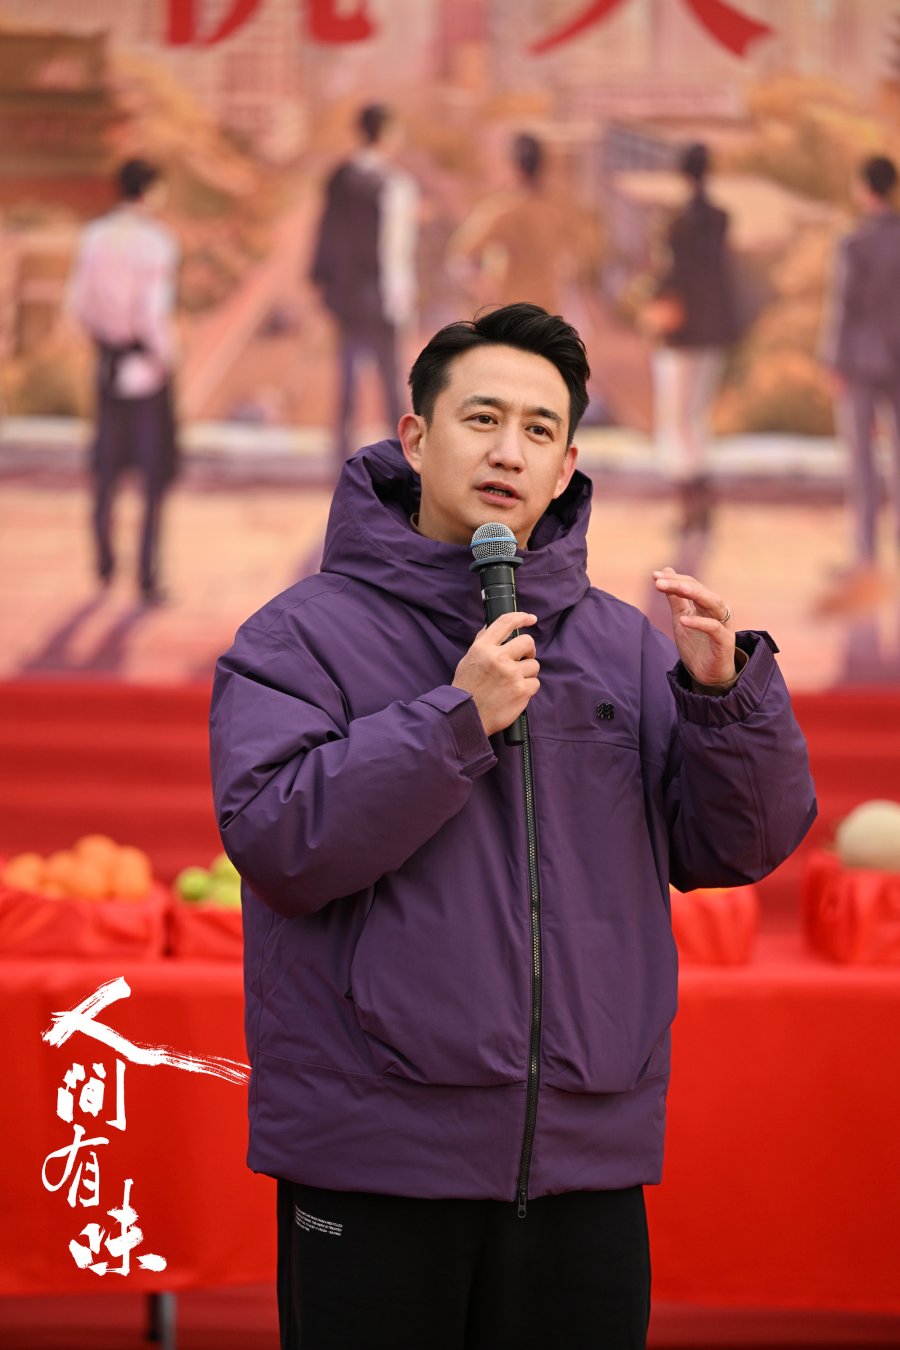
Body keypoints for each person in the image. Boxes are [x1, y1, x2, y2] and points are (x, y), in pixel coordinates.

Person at [209, 303, 815, 1350]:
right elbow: (277, 841)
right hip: (377, 1156)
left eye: (540, 429)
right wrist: (455, 720)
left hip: (584, 1159)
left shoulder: (625, 647)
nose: (508, 451)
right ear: (416, 437)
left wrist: (723, 700)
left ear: (569, 463)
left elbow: (737, 846)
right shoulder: (300, 636)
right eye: (482, 418)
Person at [68, 158, 180, 605]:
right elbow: (153, 312)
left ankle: (104, 561)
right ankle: (147, 575)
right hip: (146, 365)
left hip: (107, 363)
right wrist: (166, 356)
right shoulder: (156, 242)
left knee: (106, 469)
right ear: (150, 191)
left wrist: (104, 340)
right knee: (154, 475)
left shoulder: (93, 237)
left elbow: (78, 304)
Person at [310, 103, 418, 473]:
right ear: (386, 133)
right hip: (381, 294)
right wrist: (401, 300)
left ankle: (340, 460)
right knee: (391, 382)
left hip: (346, 295)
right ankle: (402, 462)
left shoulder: (339, 177)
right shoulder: (394, 183)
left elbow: (325, 232)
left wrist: (324, 283)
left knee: (348, 380)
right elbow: (395, 249)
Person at [820, 154, 900, 608]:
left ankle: (866, 553)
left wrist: (832, 361)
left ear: (864, 188)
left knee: (862, 459)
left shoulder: (855, 242)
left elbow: (843, 306)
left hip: (861, 361)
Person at [650, 142, 738, 540]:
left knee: (677, 418)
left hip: (681, 332)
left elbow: (672, 277)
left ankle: (690, 503)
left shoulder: (676, 225)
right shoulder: (720, 219)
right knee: (697, 417)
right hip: (714, 329)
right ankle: (703, 501)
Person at [446, 133, 575, 315]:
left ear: (514, 167)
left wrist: (483, 288)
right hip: (546, 313)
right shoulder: (555, 209)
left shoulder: (501, 210)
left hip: (510, 313)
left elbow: (459, 256)